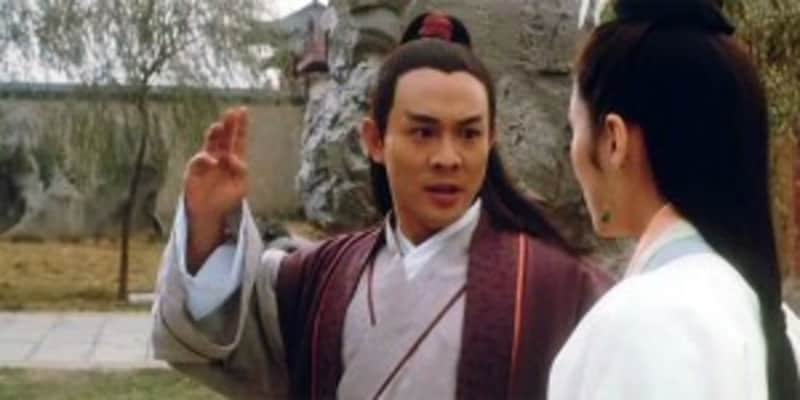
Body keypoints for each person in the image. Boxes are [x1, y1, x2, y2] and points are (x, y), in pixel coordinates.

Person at [151, 11, 612, 400]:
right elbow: (222, 340)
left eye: (469, 134)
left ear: (491, 140)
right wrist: (207, 223)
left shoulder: (557, 289)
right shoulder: (319, 277)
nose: (447, 158)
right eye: (423, 132)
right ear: (374, 140)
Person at [548, 0, 800, 399]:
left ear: (613, 140)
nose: (572, 151)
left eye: (573, 129)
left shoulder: (641, 322)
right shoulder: (780, 326)